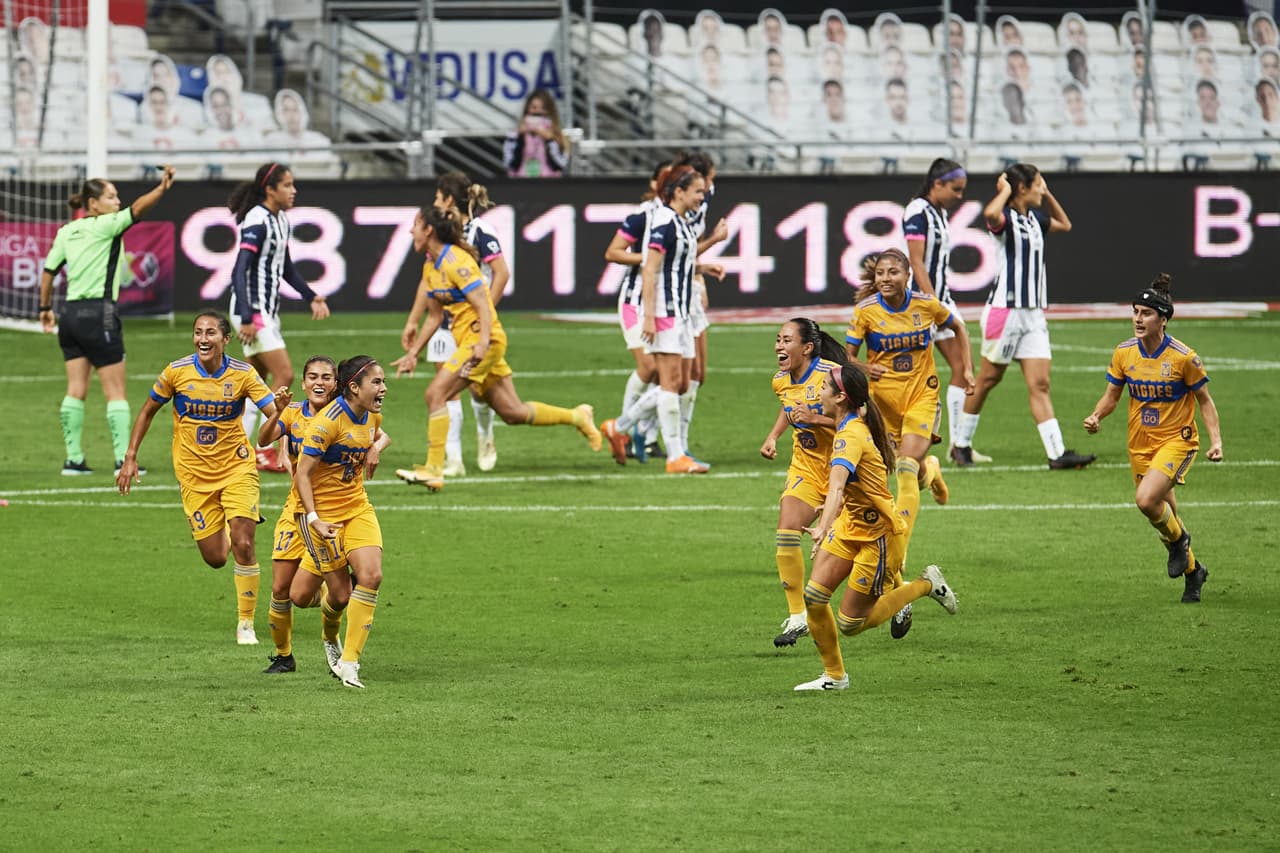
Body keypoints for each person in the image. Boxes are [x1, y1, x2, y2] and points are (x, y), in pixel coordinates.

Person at [392, 207, 601, 490]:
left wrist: (482, 341)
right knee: (512, 412)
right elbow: (434, 316)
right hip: (470, 341)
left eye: (415, 225)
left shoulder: (457, 261)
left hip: (482, 341)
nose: (410, 231)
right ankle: (578, 416)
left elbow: (483, 304)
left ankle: (433, 468)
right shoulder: (431, 266)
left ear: (428, 230)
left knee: (436, 393)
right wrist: (413, 352)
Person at [116, 311, 279, 645]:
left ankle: (246, 623)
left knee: (245, 544)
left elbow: (274, 413)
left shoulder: (244, 374)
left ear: (225, 339)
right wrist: (130, 456)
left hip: (237, 468)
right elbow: (147, 410)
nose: (203, 339)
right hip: (193, 476)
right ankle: (237, 521)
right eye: (198, 333)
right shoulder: (176, 372)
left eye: (210, 333)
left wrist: (289, 434)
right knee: (217, 558)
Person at [793, 363, 958, 692]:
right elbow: (840, 493)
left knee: (850, 624)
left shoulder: (849, 438)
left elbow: (838, 487)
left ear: (840, 397)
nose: (819, 391)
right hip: (852, 526)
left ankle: (925, 584)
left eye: (825, 387)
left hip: (878, 537)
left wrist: (822, 527)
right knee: (813, 597)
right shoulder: (849, 424)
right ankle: (835, 677)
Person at [845, 249, 973, 640]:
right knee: (901, 477)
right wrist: (867, 368)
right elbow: (847, 359)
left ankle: (898, 552)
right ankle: (931, 471)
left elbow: (959, 327)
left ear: (907, 275)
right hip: (882, 406)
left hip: (922, 395)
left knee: (902, 469)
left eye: (894, 271)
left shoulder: (927, 306)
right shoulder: (866, 312)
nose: (886, 278)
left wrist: (964, 368)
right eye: (881, 272)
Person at [1082, 274, 1221, 603]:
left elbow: (1205, 401)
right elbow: (1112, 396)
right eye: (1135, 312)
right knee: (1162, 514)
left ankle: (1180, 541)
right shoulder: (1124, 353)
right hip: (1140, 445)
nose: (1137, 319)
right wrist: (1097, 415)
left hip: (1177, 440)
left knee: (1146, 501)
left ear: (1163, 318)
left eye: (1145, 313)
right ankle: (1193, 571)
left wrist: (1216, 441)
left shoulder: (1184, 358)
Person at [951, 165, 1095, 470]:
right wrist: (1004, 189)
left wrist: (1047, 192)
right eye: (1038, 185)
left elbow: (1065, 224)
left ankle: (1056, 454)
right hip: (1006, 312)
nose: (1041, 190)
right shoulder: (1007, 220)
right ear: (1021, 189)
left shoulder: (1034, 220)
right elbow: (991, 215)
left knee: (1040, 384)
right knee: (988, 379)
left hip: (1032, 314)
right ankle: (960, 445)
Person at [38, 167, 176, 475]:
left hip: (70, 315)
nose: (117, 202)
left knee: (75, 389)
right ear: (93, 203)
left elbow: (48, 273)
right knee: (115, 392)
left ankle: (73, 460)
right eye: (111, 196)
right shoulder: (106, 225)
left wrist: (44, 307)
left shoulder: (67, 231)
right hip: (100, 313)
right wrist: (162, 188)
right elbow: (139, 209)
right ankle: (121, 461)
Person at [256, 354, 387, 674]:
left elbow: (378, 432)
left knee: (344, 592)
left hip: (338, 509)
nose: (319, 382)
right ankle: (284, 655)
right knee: (288, 593)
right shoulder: (295, 414)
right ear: (303, 383)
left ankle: (339, 643)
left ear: (337, 384)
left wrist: (375, 447)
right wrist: (277, 411)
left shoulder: (355, 412)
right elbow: (262, 440)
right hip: (300, 511)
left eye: (326, 377)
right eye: (312, 377)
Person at [600, 166, 725, 474]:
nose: (702, 196)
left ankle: (620, 425)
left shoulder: (681, 223)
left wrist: (704, 269)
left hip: (683, 313)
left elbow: (678, 263)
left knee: (683, 382)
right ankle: (675, 456)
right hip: (665, 312)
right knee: (669, 382)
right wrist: (650, 316)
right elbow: (650, 268)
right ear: (679, 192)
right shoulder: (663, 222)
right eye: (697, 191)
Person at [227, 162, 331, 472]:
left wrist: (310, 295)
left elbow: (286, 268)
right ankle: (264, 448)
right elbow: (239, 269)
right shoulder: (257, 221)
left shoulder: (281, 220)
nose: (293, 190)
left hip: (266, 311)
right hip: (253, 312)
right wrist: (246, 315)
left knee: (252, 382)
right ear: (270, 189)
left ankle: (239, 449)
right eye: (287, 185)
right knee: (284, 374)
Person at [417, 170, 511, 475]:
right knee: (445, 387)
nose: (434, 201)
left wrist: (485, 314)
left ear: (448, 199)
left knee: (476, 388)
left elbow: (502, 273)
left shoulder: (480, 231)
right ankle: (453, 458)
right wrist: (413, 320)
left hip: (473, 320)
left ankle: (485, 437)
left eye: (437, 196)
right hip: (444, 319)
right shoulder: (438, 233)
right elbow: (428, 280)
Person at [760, 319, 848, 647]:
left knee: (854, 546)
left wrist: (816, 419)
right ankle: (798, 616)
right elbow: (790, 408)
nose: (779, 346)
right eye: (778, 340)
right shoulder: (780, 380)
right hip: (806, 467)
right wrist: (773, 435)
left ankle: (898, 588)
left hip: (843, 468)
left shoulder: (833, 375)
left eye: (787, 340)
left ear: (806, 348)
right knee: (786, 530)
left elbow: (860, 419)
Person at [902, 159, 991, 464]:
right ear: (936, 184)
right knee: (911, 374)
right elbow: (915, 261)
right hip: (921, 304)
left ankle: (957, 445)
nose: (959, 196)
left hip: (941, 300)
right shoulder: (917, 211)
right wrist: (930, 302)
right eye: (956, 189)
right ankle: (901, 437)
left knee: (962, 370)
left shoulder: (939, 212)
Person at [603, 162, 669, 461]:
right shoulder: (643, 216)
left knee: (671, 371)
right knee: (650, 368)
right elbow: (613, 251)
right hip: (635, 301)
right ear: (656, 184)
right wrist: (650, 257)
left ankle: (648, 437)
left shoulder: (684, 217)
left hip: (668, 301)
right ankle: (624, 430)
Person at [503, 89, 570, 178]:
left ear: (550, 111)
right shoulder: (514, 136)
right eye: (534, 107)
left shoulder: (558, 136)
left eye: (543, 108)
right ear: (527, 109)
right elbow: (510, 165)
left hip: (549, 186)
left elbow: (561, 165)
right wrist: (520, 137)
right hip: (521, 185)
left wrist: (549, 140)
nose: (538, 112)